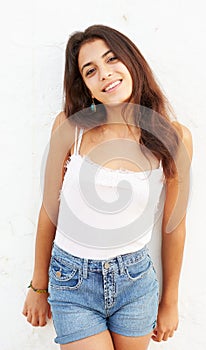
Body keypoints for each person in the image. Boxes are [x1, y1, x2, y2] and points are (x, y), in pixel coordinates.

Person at [22, 24, 193, 350]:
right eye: (91, 70)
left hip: (135, 283)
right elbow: (50, 210)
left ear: (132, 62)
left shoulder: (175, 138)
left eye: (112, 59)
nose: (105, 74)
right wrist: (38, 286)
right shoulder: (69, 128)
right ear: (86, 86)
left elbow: (175, 227)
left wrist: (170, 302)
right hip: (72, 282)